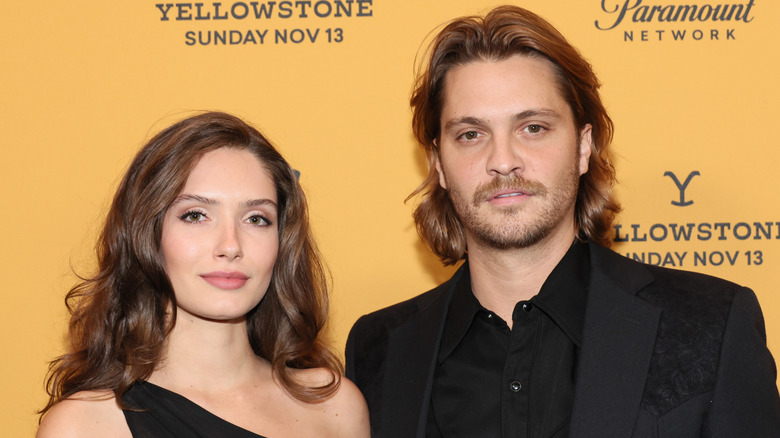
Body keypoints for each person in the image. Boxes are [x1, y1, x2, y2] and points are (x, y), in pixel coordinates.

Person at [345, 5, 780, 437]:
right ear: (439, 163)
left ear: (583, 147)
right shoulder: (377, 349)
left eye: (533, 128)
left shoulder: (711, 325)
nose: (503, 161)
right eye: (471, 134)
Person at [37, 111, 369, 437]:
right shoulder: (84, 426)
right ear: (146, 234)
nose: (230, 246)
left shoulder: (334, 406)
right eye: (196, 215)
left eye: (256, 218)